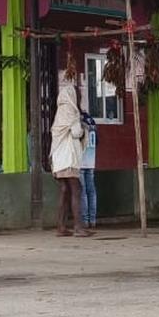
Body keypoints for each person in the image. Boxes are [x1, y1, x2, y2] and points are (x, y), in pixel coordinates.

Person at [50, 84, 92, 237]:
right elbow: (76, 133)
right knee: (77, 189)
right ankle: (78, 227)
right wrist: (85, 128)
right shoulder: (71, 111)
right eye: (78, 94)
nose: (79, 96)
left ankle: (61, 227)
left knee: (64, 190)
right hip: (68, 158)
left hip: (58, 158)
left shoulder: (59, 112)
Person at [80, 109, 98, 229]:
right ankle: (93, 219)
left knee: (83, 192)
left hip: (81, 161)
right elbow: (97, 142)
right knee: (91, 191)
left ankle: (85, 220)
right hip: (91, 161)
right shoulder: (92, 122)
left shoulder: (79, 122)